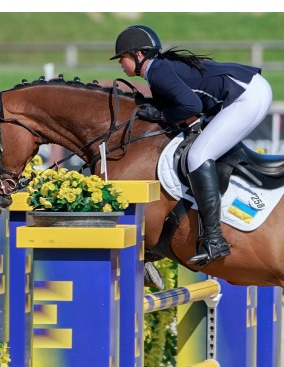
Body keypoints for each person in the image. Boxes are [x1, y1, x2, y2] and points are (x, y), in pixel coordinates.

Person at [111, 25, 273, 267]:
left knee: (198, 156)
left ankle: (214, 239)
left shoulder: (157, 72)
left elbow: (191, 106)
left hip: (246, 97)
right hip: (250, 90)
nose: (120, 64)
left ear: (138, 55)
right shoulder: (158, 69)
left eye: (122, 57)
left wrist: (163, 114)